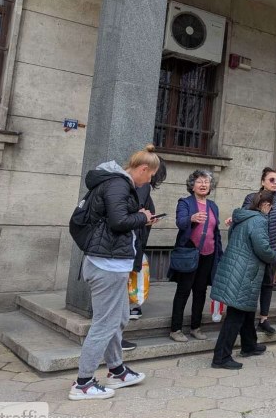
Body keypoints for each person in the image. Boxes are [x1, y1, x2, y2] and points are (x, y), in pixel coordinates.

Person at [69, 145, 159, 401]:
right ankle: (83, 383)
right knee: (104, 324)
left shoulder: (114, 183)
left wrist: (141, 218)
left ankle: (117, 371)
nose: (148, 181)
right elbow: (119, 222)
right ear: (143, 169)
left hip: (111, 264)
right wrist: (142, 217)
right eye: (150, 176)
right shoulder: (119, 185)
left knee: (118, 317)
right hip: (106, 265)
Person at [210, 190, 276, 369]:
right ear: (265, 205)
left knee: (246, 309)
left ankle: (249, 345)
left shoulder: (242, 217)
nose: (270, 210)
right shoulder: (259, 220)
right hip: (244, 271)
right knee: (236, 314)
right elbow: (262, 248)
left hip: (236, 267)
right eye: (270, 207)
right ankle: (221, 357)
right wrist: (275, 255)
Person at [169, 170, 223, 343]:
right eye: (199, 181)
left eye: (206, 182)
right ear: (192, 185)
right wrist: (191, 218)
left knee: (200, 292)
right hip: (190, 253)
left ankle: (195, 327)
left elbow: (216, 232)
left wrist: (219, 254)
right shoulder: (185, 203)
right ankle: (175, 329)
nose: (203, 185)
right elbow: (180, 222)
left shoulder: (213, 206)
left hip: (209, 254)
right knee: (183, 291)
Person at [243, 167, 276, 334]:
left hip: (273, 250)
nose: (275, 183)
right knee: (251, 285)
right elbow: (244, 219)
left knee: (267, 285)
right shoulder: (252, 198)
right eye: (271, 180)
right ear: (262, 181)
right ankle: (247, 320)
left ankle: (264, 319)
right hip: (254, 250)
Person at [126, 157, 167, 342]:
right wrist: (145, 218)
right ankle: (131, 309)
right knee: (127, 279)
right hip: (130, 243)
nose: (152, 180)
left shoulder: (138, 186)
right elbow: (136, 212)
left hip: (133, 241)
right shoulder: (142, 186)